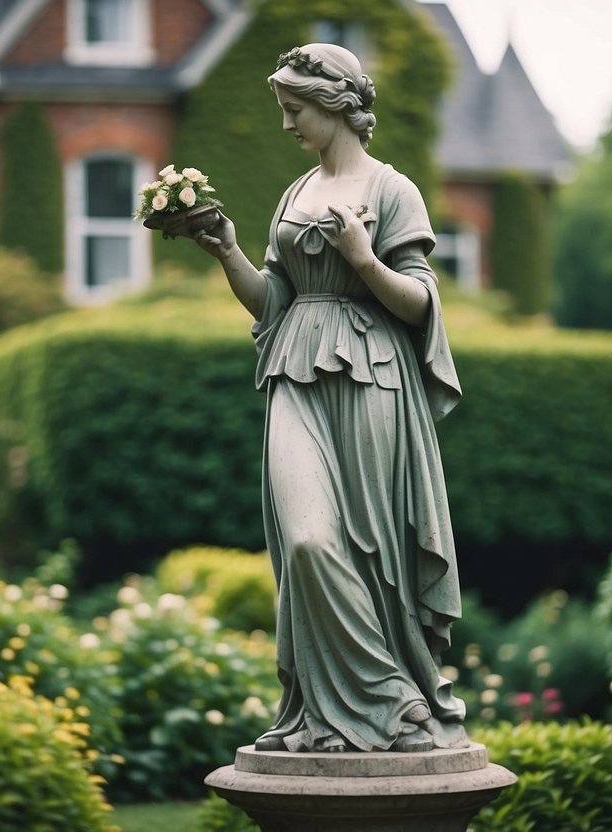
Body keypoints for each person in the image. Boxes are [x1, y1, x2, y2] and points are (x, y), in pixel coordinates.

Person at [193, 43, 468, 754]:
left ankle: (393, 707)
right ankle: (371, 700)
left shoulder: (391, 190)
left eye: (295, 110)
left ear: (338, 106)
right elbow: (272, 302)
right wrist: (228, 251)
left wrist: (362, 260)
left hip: (373, 375)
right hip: (295, 372)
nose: (287, 124)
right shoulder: (294, 193)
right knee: (309, 540)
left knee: (372, 550)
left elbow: (418, 305)